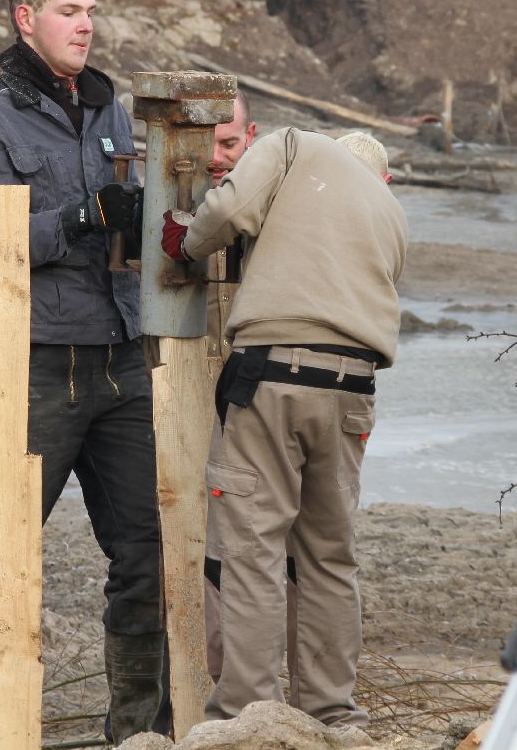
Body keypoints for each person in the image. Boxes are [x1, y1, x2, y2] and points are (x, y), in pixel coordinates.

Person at [0, 0, 163, 748]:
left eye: (90, 10)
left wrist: (139, 218)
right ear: (26, 19)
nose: (86, 24)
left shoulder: (111, 109)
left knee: (148, 550)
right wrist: (84, 215)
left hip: (121, 356)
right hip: (34, 366)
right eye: (68, 10)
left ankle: (138, 732)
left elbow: (129, 230)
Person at [162, 128, 407, 727]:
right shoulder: (391, 212)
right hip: (353, 388)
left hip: (273, 375)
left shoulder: (293, 145)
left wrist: (185, 242)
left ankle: (248, 713)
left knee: (252, 549)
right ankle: (332, 714)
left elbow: (228, 210)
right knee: (329, 555)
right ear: (383, 178)